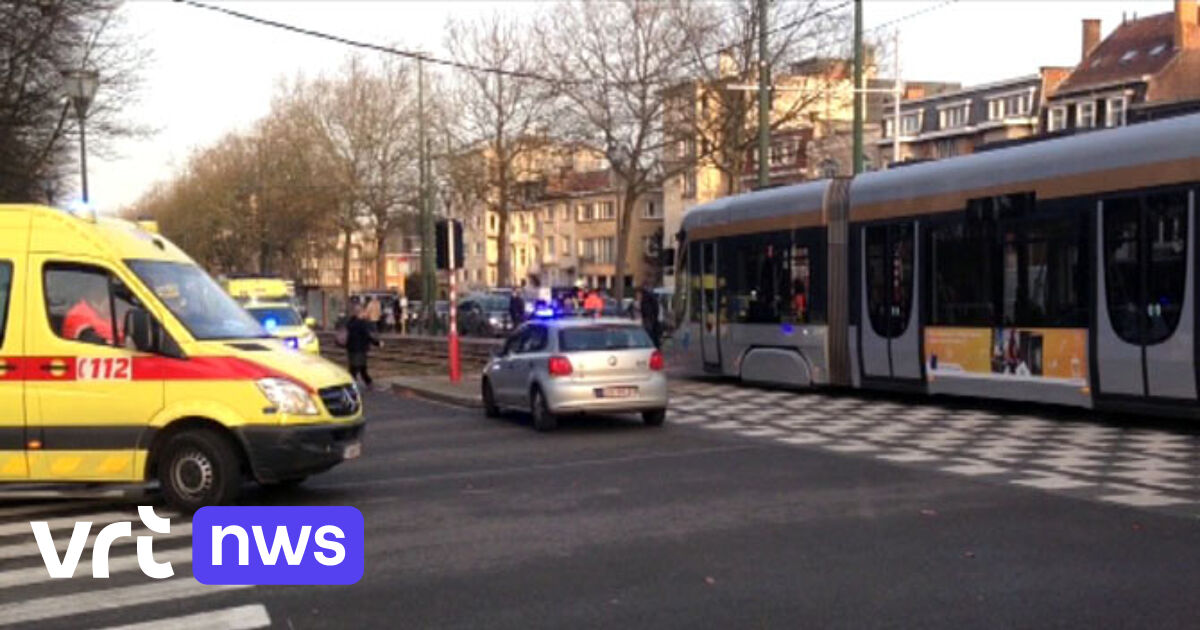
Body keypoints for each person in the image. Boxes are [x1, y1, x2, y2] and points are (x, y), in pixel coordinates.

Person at [63, 279, 116, 345]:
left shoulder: (109, 309)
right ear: (89, 290)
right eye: (99, 287)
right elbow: (96, 345)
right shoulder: (78, 315)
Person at [345, 303, 383, 388]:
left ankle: (367, 382)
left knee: (358, 367)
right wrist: (378, 343)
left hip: (351, 348)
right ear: (361, 312)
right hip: (360, 349)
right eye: (364, 312)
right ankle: (351, 385)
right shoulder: (362, 323)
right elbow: (367, 336)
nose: (365, 313)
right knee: (356, 368)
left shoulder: (350, 322)